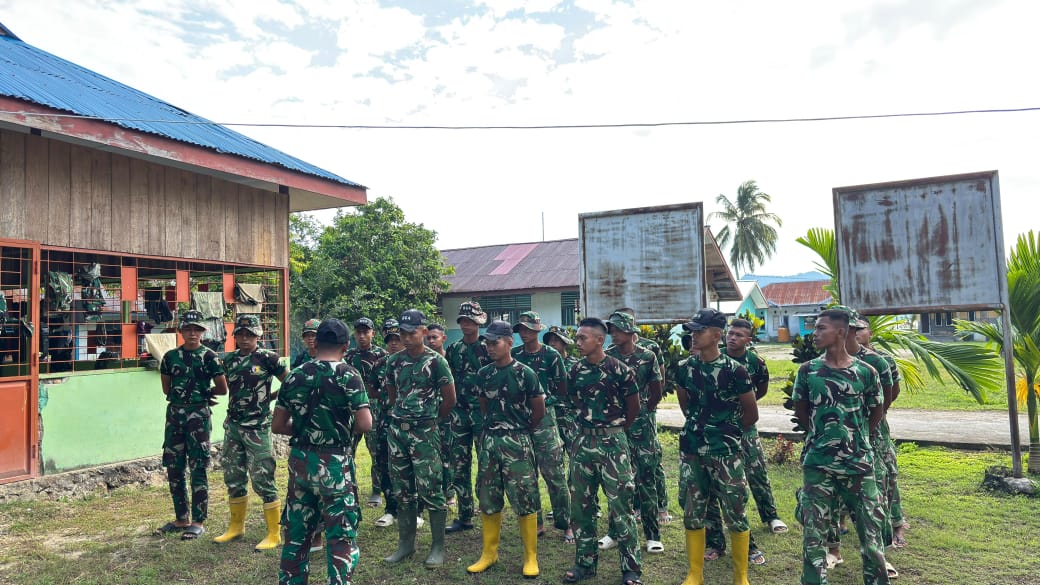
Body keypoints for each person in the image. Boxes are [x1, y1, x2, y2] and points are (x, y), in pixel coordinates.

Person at [272, 318, 372, 585]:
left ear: (316, 343)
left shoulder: (295, 375)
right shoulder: (349, 374)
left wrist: (307, 428)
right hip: (335, 464)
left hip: (301, 463)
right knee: (340, 535)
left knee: (297, 534)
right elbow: (365, 423)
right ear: (346, 345)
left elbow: (278, 425)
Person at [793, 308, 889, 585]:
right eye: (816, 327)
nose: (815, 333)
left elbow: (876, 413)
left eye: (821, 328)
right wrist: (825, 439)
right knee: (814, 538)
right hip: (819, 466)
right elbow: (802, 413)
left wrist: (854, 440)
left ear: (841, 331)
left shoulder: (866, 372)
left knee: (871, 539)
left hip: (858, 465)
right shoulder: (808, 371)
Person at [675, 308, 757, 585]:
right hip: (693, 449)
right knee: (693, 510)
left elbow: (751, 414)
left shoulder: (735, 370)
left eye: (700, 330)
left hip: (726, 452)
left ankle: (740, 576)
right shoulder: (685, 368)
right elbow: (686, 405)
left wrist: (725, 432)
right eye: (693, 330)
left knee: (735, 509)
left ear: (717, 335)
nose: (694, 335)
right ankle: (695, 573)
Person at [563, 317, 642, 585]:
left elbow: (634, 409)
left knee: (621, 506)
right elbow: (573, 400)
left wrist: (614, 431)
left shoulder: (620, 370)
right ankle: (584, 564)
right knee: (582, 506)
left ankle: (631, 568)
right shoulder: (575, 370)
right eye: (577, 338)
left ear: (600, 340)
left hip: (613, 444)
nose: (578, 342)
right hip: (583, 443)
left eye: (583, 338)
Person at [704, 318, 786, 565]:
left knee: (756, 470)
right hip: (717, 429)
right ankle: (716, 541)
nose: (733, 338)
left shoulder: (754, 362)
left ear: (748, 339)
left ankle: (770, 515)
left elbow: (760, 390)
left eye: (740, 335)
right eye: (731, 333)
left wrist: (742, 408)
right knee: (718, 484)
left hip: (745, 426)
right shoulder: (711, 358)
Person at [466, 320, 545, 578]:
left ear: (509, 343)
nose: (490, 347)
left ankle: (530, 556)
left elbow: (538, 411)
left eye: (495, 342)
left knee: (525, 495)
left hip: (517, 441)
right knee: (488, 496)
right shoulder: (484, 374)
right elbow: (483, 406)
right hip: (490, 441)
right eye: (487, 343)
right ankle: (489, 553)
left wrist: (517, 430)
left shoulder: (525, 373)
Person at [383, 309, 456, 568]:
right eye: (402, 333)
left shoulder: (437, 362)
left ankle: (437, 546)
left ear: (424, 332)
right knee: (402, 489)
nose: (406, 337)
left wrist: (431, 421)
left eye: (412, 332)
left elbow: (450, 399)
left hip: (425, 432)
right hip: (398, 432)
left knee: (431, 489)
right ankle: (406, 544)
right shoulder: (394, 361)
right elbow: (393, 396)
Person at [213, 314, 288, 550]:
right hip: (234, 426)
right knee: (233, 476)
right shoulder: (229, 359)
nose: (245, 339)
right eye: (241, 335)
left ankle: (274, 533)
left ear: (259, 335)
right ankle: (236, 527)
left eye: (250, 334)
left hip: (258, 427)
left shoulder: (269, 358)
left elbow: (290, 382)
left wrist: (271, 398)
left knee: (263, 477)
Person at [154, 309, 228, 541]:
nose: (192, 333)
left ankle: (198, 520)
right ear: (181, 331)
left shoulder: (210, 357)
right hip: (175, 416)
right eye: (188, 329)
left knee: (198, 466)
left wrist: (202, 394)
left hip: (198, 417)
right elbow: (167, 388)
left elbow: (222, 388)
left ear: (203, 332)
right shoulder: (170, 357)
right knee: (173, 467)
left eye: (197, 329)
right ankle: (181, 517)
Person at [603, 311, 664, 554]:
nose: (614, 334)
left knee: (646, 478)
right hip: (618, 425)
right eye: (612, 330)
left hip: (642, 426)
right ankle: (613, 532)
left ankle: (652, 534)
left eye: (617, 329)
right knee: (616, 481)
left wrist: (646, 411)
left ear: (629, 330)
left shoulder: (647, 356)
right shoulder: (608, 357)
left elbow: (657, 388)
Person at [511, 311, 572, 543]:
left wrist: (545, 402)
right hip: (521, 422)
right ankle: (535, 522)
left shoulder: (551, 355)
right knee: (526, 475)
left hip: (545, 420)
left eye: (528, 329)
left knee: (554, 473)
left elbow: (562, 389)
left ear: (538, 329)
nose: (524, 333)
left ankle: (566, 523)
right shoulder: (515, 355)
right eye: (521, 330)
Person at [615, 307, 671, 525]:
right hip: (622, 416)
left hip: (645, 413)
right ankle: (636, 506)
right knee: (628, 463)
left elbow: (660, 381)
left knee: (651, 460)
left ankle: (661, 506)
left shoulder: (650, 349)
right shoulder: (612, 352)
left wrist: (649, 407)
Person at [857, 325, 908, 548]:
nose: (857, 333)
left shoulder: (881, 359)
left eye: (861, 329)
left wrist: (879, 413)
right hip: (853, 426)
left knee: (887, 471)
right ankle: (842, 523)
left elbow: (892, 391)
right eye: (853, 329)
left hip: (877, 424)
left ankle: (896, 523)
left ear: (870, 333)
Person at [444, 301, 490, 533]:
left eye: (470, 321)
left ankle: (489, 511)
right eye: (463, 321)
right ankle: (464, 515)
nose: (466, 325)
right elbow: (449, 380)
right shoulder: (453, 350)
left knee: (486, 465)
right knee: (459, 466)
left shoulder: (488, 348)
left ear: (479, 323)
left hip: (483, 415)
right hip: (460, 414)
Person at [370, 320, 417, 528]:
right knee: (384, 464)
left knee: (414, 465)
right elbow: (372, 390)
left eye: (397, 339)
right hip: (385, 422)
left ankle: (417, 510)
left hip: (411, 424)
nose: (394, 344)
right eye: (390, 340)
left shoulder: (416, 364)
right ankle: (390, 509)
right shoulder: (380, 365)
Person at [345, 317, 388, 508]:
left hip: (374, 410)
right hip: (352, 410)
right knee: (347, 451)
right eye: (358, 332)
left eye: (366, 332)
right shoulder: (348, 355)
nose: (362, 336)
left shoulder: (382, 355)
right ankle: (348, 487)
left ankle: (376, 491)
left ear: (373, 333)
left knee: (376, 452)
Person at [543, 325, 580, 455]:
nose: (552, 343)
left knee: (575, 454)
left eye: (556, 340)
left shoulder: (576, 365)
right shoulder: (544, 363)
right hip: (549, 415)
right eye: (550, 340)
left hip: (569, 415)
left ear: (565, 343)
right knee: (552, 457)